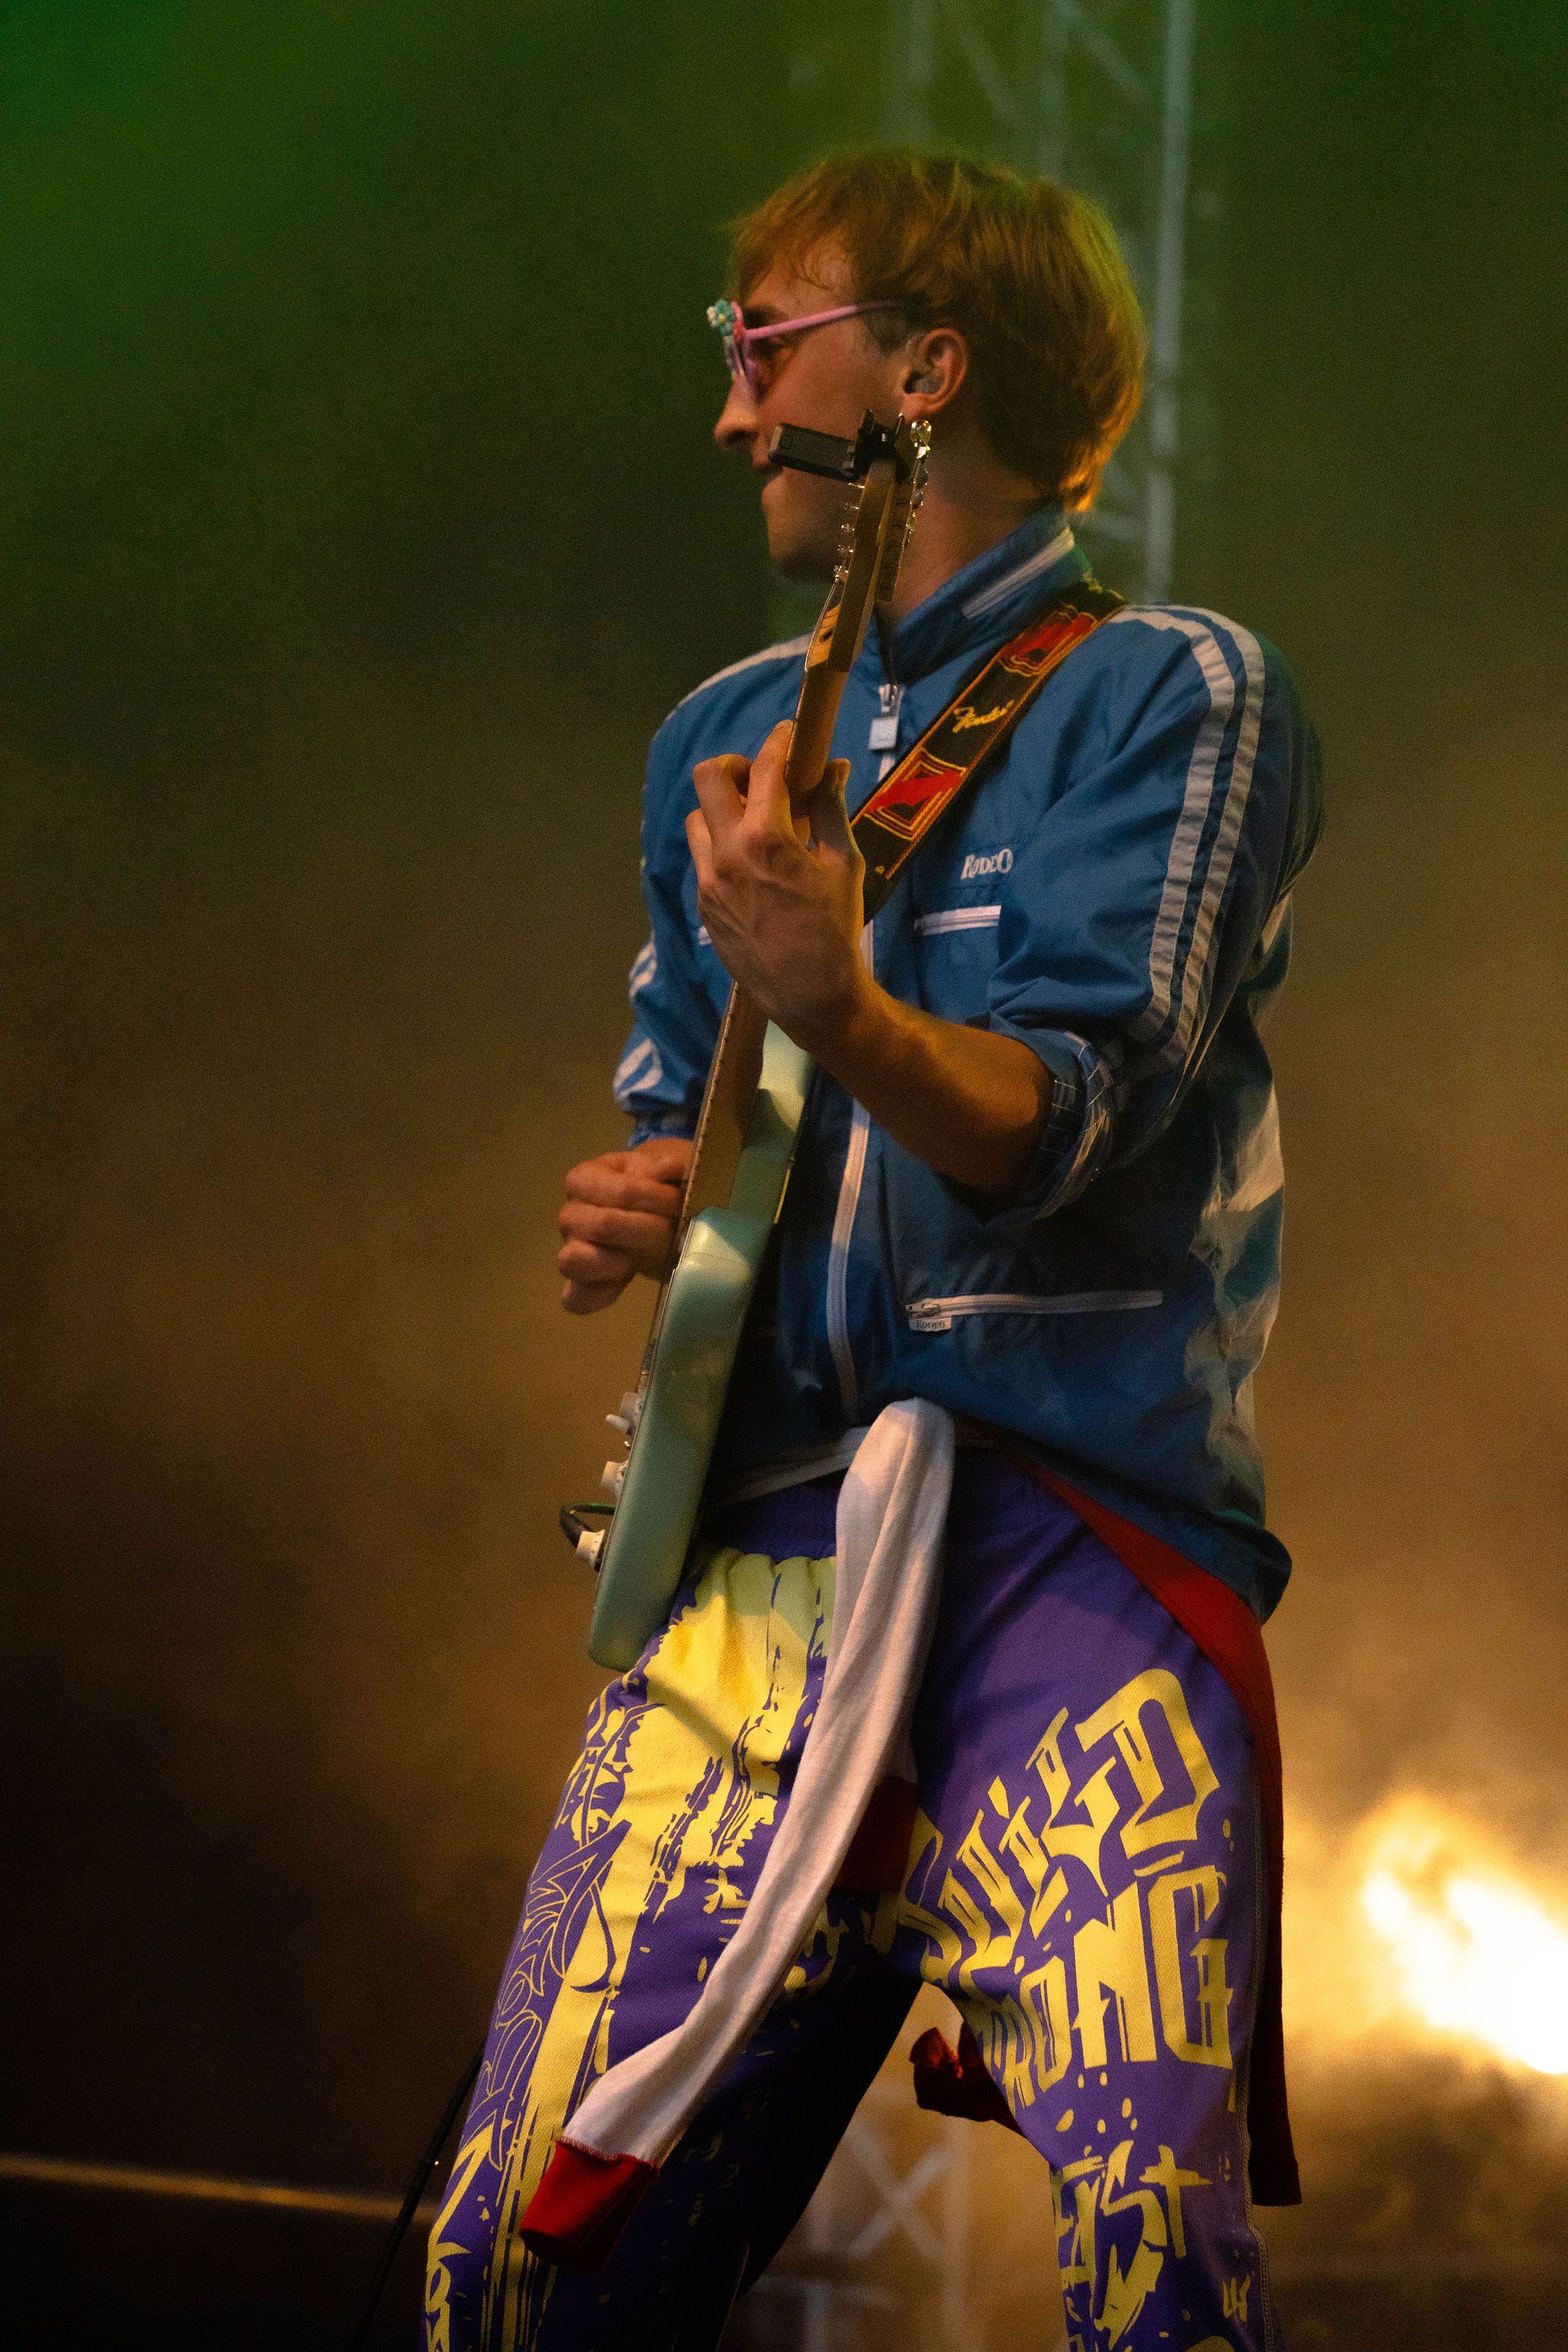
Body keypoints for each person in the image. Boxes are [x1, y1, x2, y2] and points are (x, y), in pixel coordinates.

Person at [424, 148, 1321, 2352]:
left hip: (1066, 1543)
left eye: (767, 344)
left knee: (1149, 2261)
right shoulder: (719, 741)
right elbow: (696, 1120)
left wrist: (839, 1001)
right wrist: (657, 1202)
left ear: (925, 376)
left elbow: (1077, 1117)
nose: (732, 405)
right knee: (506, 2273)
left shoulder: (1177, 690)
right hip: (761, 1560)